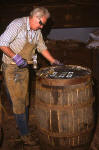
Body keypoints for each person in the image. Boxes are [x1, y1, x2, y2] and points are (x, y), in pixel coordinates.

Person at [0, 7, 62, 145]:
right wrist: (15, 57)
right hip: (11, 68)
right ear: (34, 17)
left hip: (23, 69)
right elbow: (1, 42)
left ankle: (22, 124)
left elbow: (41, 47)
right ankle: (24, 134)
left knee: (25, 100)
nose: (41, 26)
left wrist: (53, 61)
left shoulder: (36, 31)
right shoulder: (17, 25)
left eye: (43, 25)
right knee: (18, 103)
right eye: (40, 23)